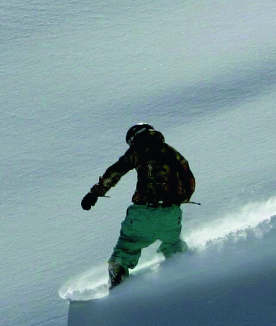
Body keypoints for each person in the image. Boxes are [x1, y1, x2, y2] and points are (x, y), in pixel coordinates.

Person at [80, 123, 195, 289]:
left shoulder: (138, 150)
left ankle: (118, 275)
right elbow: (187, 176)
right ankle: (185, 272)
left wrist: (94, 193)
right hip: (171, 211)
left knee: (127, 244)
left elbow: (116, 171)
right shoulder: (170, 151)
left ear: (134, 138)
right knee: (172, 243)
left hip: (144, 211)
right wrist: (183, 197)